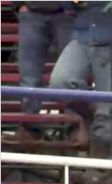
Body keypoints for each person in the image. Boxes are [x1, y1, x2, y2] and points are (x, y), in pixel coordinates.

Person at [48, 1, 112, 184]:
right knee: (59, 83)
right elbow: (66, 4)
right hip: (84, 35)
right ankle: (91, 119)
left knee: (107, 106)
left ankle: (98, 166)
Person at [3, 1, 74, 143]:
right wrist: (19, 5)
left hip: (66, 12)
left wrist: (75, 5)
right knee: (29, 76)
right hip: (33, 11)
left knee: (72, 75)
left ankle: (74, 127)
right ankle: (30, 128)